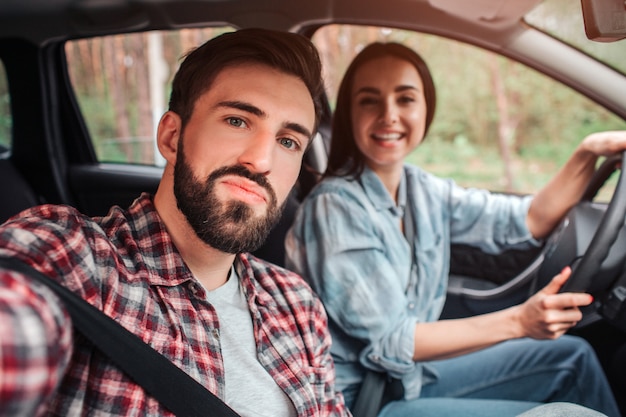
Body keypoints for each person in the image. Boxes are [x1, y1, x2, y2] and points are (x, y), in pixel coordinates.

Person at [0, 28, 350, 416]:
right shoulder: (79, 257)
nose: (262, 160)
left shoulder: (296, 304)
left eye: (288, 141)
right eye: (237, 121)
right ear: (171, 136)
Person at [285, 42, 626, 417]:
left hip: (409, 377)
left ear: (426, 107)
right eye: (369, 101)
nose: (389, 115)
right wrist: (520, 321)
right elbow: (393, 341)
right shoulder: (333, 209)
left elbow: (526, 219)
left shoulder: (422, 190)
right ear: (349, 114)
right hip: (359, 400)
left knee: (573, 356)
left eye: (405, 99)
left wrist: (587, 152)